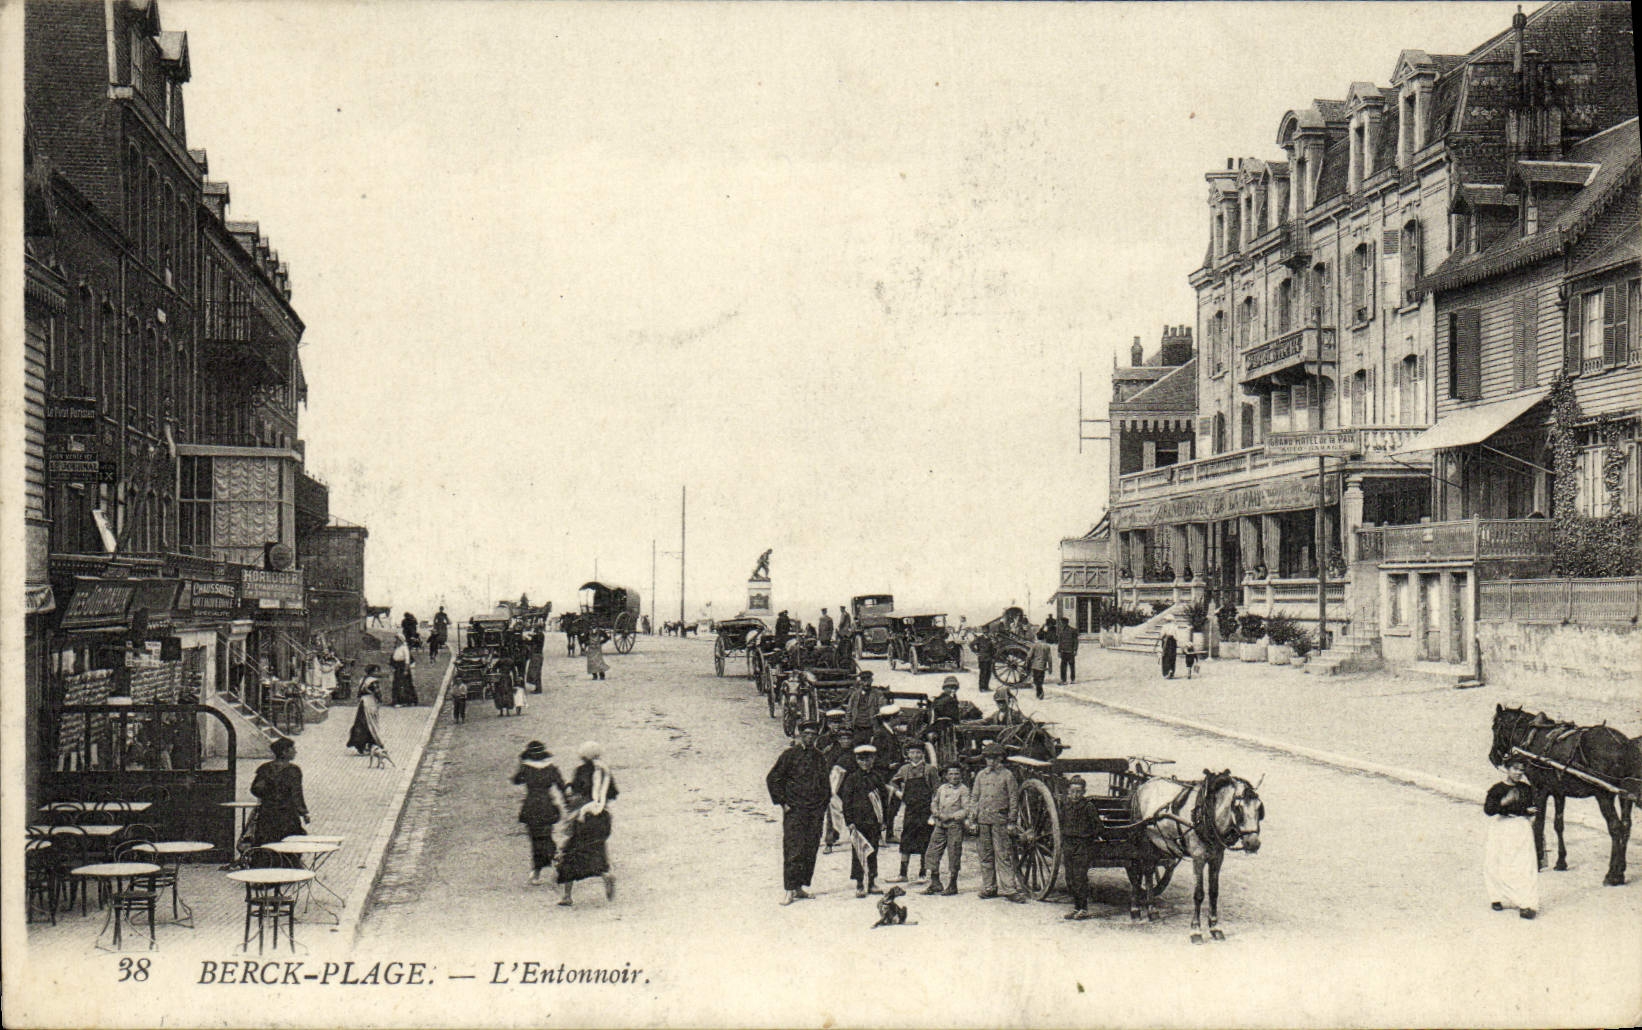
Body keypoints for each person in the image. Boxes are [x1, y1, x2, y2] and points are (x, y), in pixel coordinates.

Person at [766, 721, 831, 905]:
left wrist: (822, 806)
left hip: (814, 811)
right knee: (793, 849)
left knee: (810, 849)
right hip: (795, 811)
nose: (809, 737)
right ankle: (789, 889)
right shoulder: (789, 755)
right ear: (800, 735)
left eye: (813, 734)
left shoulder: (819, 757)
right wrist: (783, 803)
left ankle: (800, 887)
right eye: (806, 734)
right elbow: (773, 778)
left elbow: (825, 784)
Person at [968, 741, 1026, 902]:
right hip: (983, 820)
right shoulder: (981, 775)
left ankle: (1009, 889)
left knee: (1003, 855)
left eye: (994, 758)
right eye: (988, 758)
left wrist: (1012, 821)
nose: (991, 761)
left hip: (1000, 820)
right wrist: (972, 819)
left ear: (1001, 758)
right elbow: (974, 798)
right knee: (985, 855)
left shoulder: (1007, 775)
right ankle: (989, 887)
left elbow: (1014, 800)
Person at [1484, 757, 1540, 919]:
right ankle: (1497, 897)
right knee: (1497, 861)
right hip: (1501, 827)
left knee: (1524, 864)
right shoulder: (1497, 789)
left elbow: (1533, 806)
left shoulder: (1526, 789)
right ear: (1507, 769)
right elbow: (1489, 810)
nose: (1518, 773)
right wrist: (1504, 802)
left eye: (1522, 770)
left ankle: (1527, 904)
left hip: (1521, 827)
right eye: (1515, 769)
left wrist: (1531, 813)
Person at [512, 741, 566, 885]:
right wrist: (567, 803)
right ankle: (554, 859)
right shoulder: (552, 769)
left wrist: (520, 763)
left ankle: (538, 869)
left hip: (531, 805)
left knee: (535, 838)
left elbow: (516, 780)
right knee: (546, 835)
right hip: (547, 805)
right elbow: (562, 786)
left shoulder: (526, 769)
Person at [250, 737, 307, 864]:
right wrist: (303, 812)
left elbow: (255, 789)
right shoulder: (293, 770)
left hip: (267, 812)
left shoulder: (264, 768)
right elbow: (296, 794)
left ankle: (267, 866)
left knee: (267, 840)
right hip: (287, 814)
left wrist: (268, 795)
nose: (295, 751)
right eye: (293, 749)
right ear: (284, 752)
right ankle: (288, 867)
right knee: (290, 839)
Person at [838, 744, 885, 898]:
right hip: (858, 822)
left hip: (874, 821)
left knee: (873, 851)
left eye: (869, 760)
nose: (866, 763)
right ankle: (859, 883)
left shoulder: (877, 777)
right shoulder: (852, 779)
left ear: (873, 760)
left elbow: (884, 800)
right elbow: (846, 802)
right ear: (857, 761)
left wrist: (884, 820)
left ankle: (872, 882)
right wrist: (849, 821)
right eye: (862, 760)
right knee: (859, 852)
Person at [555, 787, 615, 906]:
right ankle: (606, 875)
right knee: (597, 864)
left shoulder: (578, 812)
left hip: (579, 840)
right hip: (597, 840)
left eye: (572, 796)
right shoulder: (601, 808)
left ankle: (567, 896)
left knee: (568, 865)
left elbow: (569, 831)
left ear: (580, 796)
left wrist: (563, 847)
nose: (569, 799)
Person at [889, 746, 938, 883]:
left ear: (923, 754)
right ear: (908, 754)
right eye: (912, 752)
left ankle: (923, 874)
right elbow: (892, 782)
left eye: (918, 752)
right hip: (910, 810)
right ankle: (903, 874)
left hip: (925, 810)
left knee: (924, 840)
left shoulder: (929, 769)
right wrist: (899, 793)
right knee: (906, 840)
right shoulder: (904, 769)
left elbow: (937, 791)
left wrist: (934, 811)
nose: (915, 755)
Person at [924, 763, 969, 895]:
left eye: (957, 774)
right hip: (939, 825)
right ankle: (935, 882)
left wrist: (951, 816)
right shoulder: (942, 788)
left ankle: (952, 885)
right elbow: (934, 802)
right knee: (932, 852)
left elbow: (966, 809)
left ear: (961, 775)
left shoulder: (963, 790)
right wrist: (936, 812)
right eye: (951, 774)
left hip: (954, 826)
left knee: (954, 853)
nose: (954, 777)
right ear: (946, 776)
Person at [1061, 776, 1099, 919]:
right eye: (1073, 792)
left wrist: (1088, 838)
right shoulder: (1065, 806)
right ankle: (1076, 907)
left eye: (1079, 792)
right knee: (1070, 878)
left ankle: (1083, 908)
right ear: (1068, 792)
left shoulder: (1088, 807)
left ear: (1083, 792)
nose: (1075, 795)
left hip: (1082, 846)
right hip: (1068, 844)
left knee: (1080, 877)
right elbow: (1060, 823)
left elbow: (1098, 827)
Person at [870, 704, 904, 842]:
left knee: (893, 804)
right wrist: (887, 765)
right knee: (883, 804)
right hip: (884, 775)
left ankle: (888, 834)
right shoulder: (880, 734)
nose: (900, 719)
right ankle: (880, 834)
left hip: (893, 774)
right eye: (898, 717)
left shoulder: (890, 732)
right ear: (891, 718)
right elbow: (874, 756)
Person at [570, 741, 619, 813]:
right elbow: (613, 792)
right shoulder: (605, 769)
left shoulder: (580, 770)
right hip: (601, 806)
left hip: (585, 805)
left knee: (570, 820)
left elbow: (575, 789)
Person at [347, 674, 387, 753]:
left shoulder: (363, 679)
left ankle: (361, 745)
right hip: (370, 702)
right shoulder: (373, 681)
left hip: (363, 702)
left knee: (361, 723)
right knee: (371, 724)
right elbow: (377, 692)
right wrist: (380, 700)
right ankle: (373, 743)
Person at [391, 635, 419, 706]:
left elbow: (407, 660)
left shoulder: (404, 648)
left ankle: (408, 700)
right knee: (396, 684)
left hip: (403, 667)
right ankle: (397, 700)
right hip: (397, 667)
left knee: (405, 684)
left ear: (400, 640)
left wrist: (406, 670)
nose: (396, 641)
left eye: (397, 640)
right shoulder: (397, 648)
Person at [1028, 634, 1053, 700]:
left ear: (1037, 637)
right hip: (1042, 666)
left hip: (1035, 666)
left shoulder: (1034, 645)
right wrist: (1050, 668)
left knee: (1036, 681)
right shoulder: (1047, 646)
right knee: (1040, 680)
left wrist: (1028, 664)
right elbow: (1049, 658)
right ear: (1044, 638)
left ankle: (1040, 693)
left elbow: (1029, 656)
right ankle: (1039, 693)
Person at [1057, 616, 1080, 685]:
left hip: (1070, 651)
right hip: (1064, 651)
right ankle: (1064, 680)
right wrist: (1059, 651)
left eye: (1062, 623)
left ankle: (1072, 680)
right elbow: (1060, 642)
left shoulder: (1073, 630)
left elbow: (1076, 641)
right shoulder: (1061, 631)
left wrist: (1075, 650)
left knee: (1071, 666)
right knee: (1063, 666)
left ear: (1065, 623)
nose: (1061, 624)